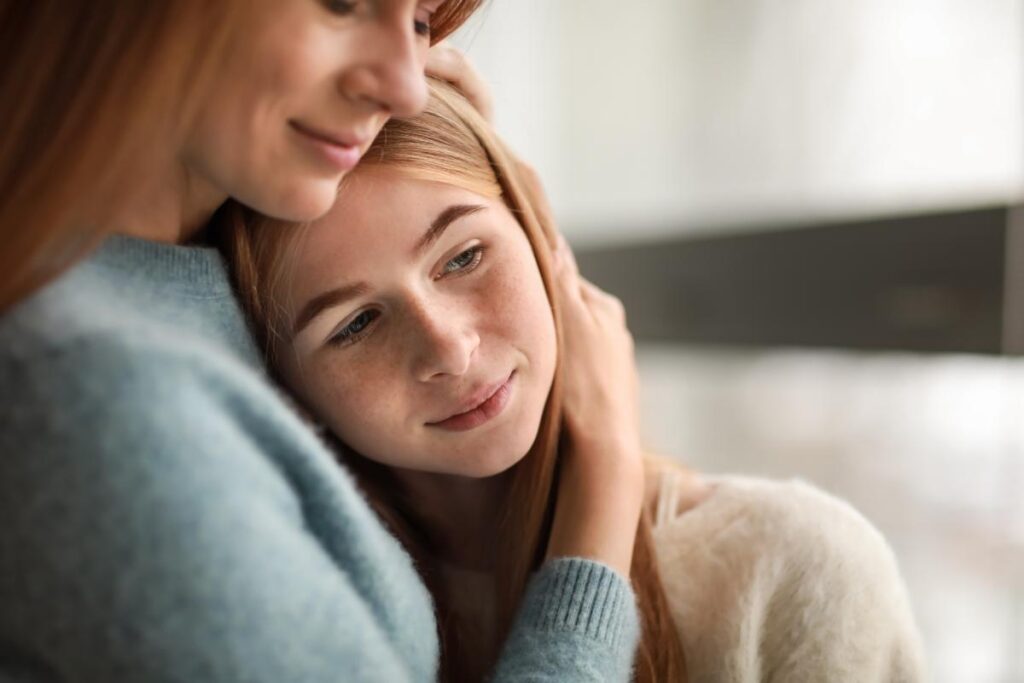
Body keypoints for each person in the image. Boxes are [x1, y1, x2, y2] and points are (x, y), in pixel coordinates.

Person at [0, 3, 648, 681]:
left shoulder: (205, 259)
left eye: (421, 20)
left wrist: (478, 165)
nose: (406, 86)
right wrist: (604, 482)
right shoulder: (87, 400)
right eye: (343, 3)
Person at [222, 79, 928, 682]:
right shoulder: (300, 614)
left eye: (464, 256)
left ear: (541, 241)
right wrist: (608, 466)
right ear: (286, 388)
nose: (449, 346)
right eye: (353, 324)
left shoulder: (793, 566)